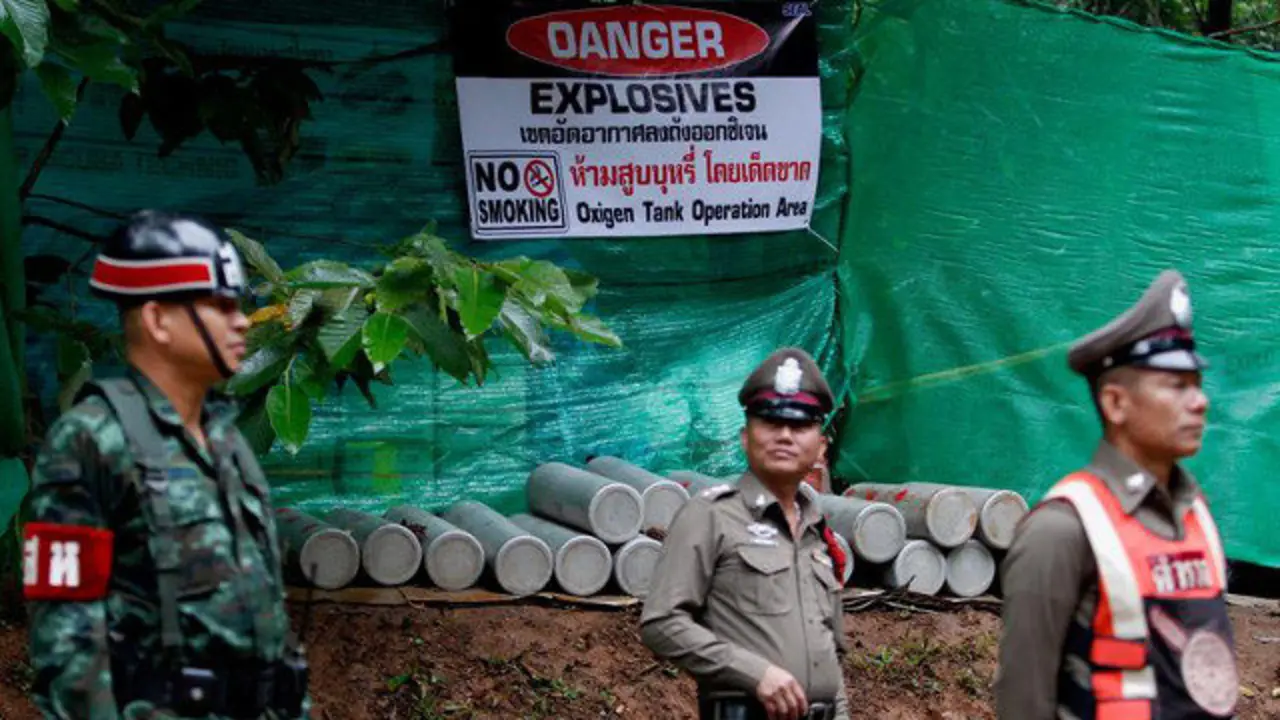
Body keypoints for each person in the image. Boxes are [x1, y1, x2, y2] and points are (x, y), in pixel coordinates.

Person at [23, 210, 310, 719]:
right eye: (220, 306)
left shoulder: (225, 438)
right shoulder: (91, 440)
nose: (242, 320)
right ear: (157, 320)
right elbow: (66, 640)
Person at [995, 269, 1237, 720]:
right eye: (1176, 386)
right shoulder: (1062, 528)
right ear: (1115, 404)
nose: (1200, 402)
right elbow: (1023, 701)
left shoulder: (1196, 513)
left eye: (1197, 385)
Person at [641, 347, 850, 720]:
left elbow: (830, 654)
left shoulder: (818, 531)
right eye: (770, 422)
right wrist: (755, 673)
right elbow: (662, 623)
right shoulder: (711, 515)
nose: (784, 435)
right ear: (744, 436)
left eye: (800, 426)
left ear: (820, 446)